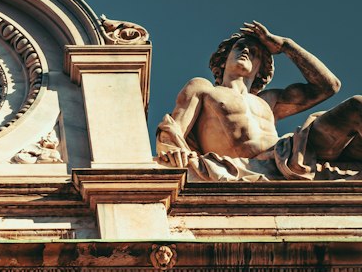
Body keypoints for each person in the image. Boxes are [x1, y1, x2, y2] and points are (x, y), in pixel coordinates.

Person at [155, 21, 362, 181]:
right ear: (224, 58)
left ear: (260, 67)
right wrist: (173, 151)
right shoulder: (204, 88)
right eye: (240, 47)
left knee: (357, 106)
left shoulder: (269, 100)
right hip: (243, 165)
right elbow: (174, 131)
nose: (246, 51)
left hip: (288, 153)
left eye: (254, 53)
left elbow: (329, 86)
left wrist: (286, 46)